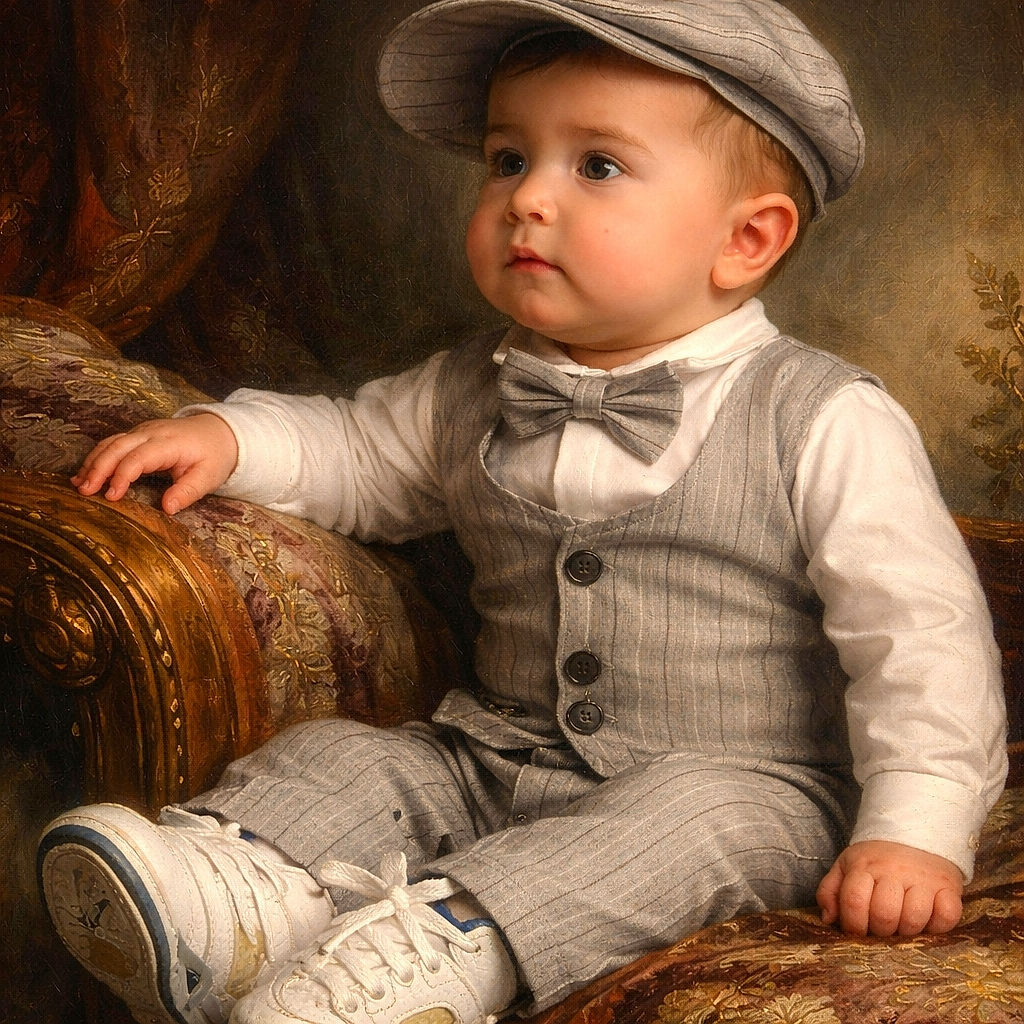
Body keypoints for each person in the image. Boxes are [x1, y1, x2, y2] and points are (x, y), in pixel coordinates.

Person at [38, 2, 1008, 1024]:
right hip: (494, 753)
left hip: (746, 784)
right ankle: (241, 900)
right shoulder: (474, 384)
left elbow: (918, 638)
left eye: (595, 167)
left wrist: (915, 827)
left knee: (681, 825)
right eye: (507, 158)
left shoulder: (823, 417)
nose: (525, 200)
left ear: (745, 238)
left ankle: (444, 950)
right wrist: (234, 439)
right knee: (363, 757)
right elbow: (361, 452)